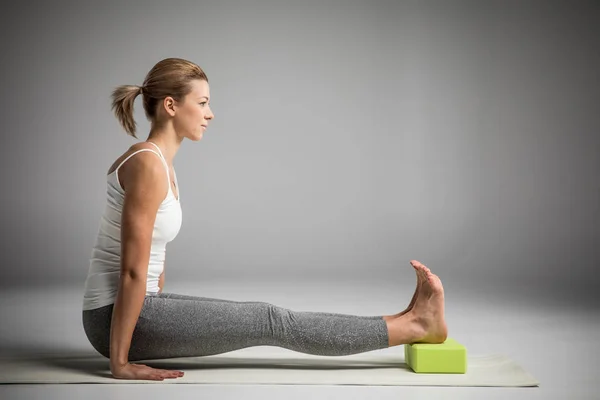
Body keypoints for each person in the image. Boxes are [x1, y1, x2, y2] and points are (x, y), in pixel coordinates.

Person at [81, 57, 448, 381]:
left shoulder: (160, 162)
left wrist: (167, 312)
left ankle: (410, 317)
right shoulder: (148, 163)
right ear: (172, 106)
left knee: (266, 316)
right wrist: (121, 362)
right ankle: (414, 326)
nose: (210, 114)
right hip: (114, 318)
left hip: (138, 308)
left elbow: (153, 255)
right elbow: (131, 271)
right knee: (269, 321)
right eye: (204, 103)